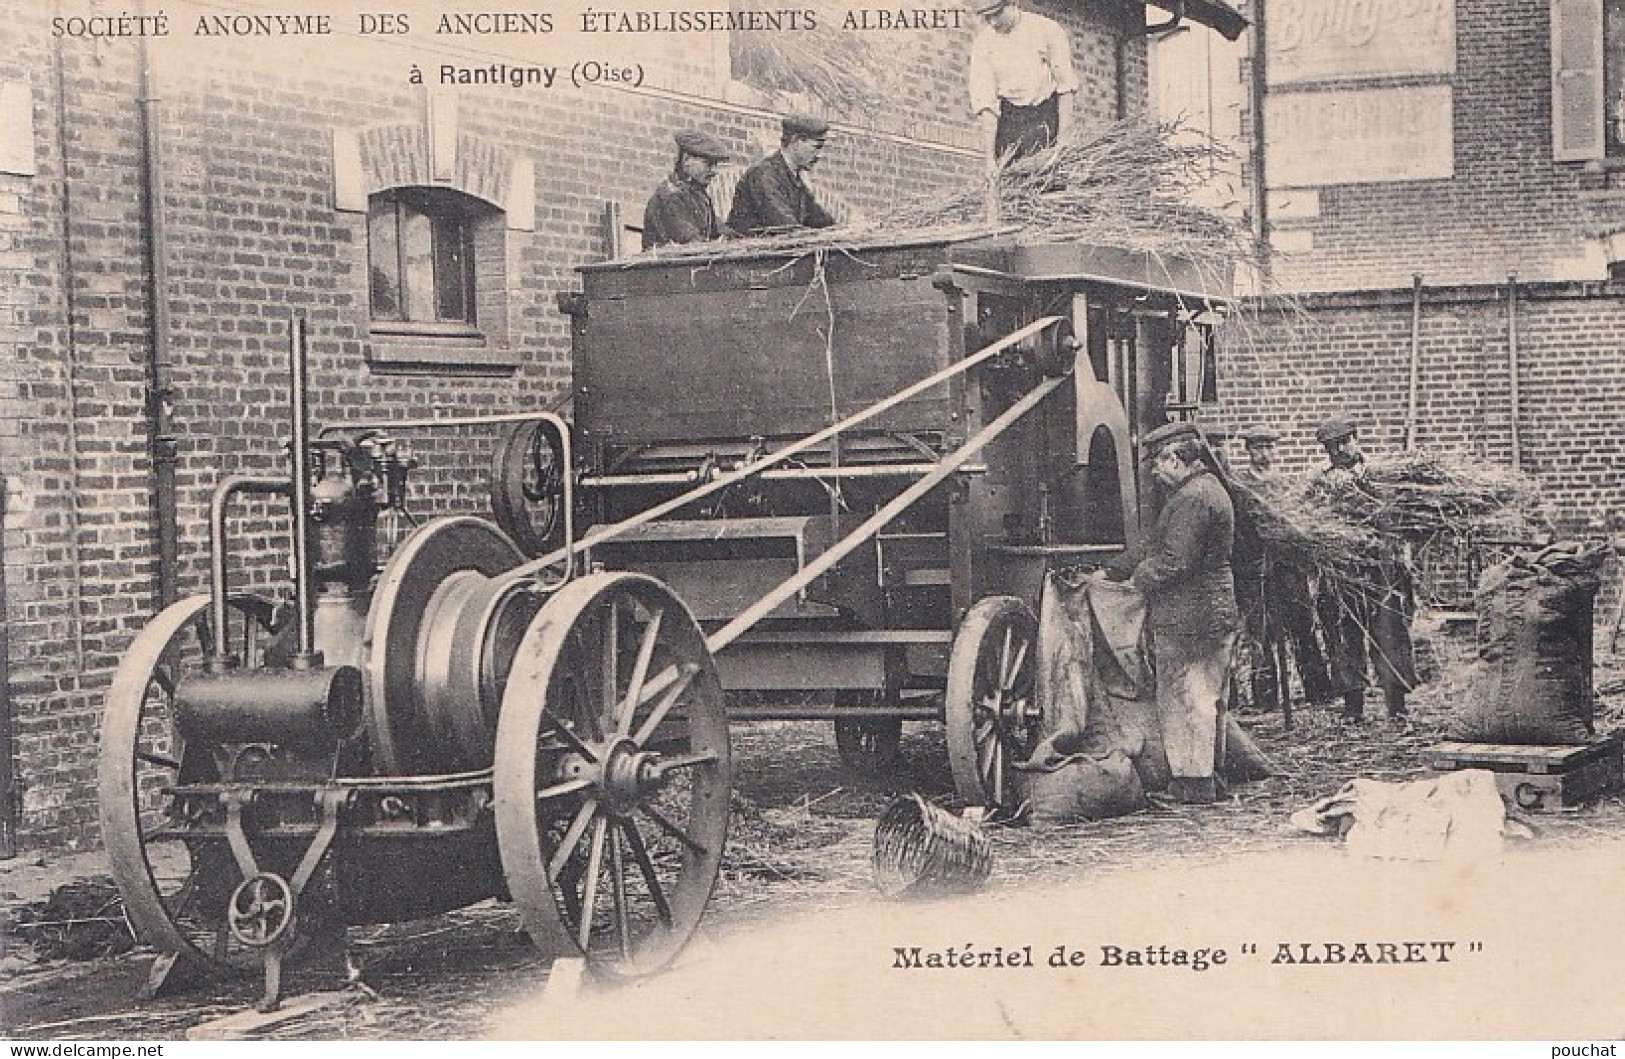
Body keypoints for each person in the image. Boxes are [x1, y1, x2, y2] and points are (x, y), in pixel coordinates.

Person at [1115, 421, 1238, 804]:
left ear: (1175, 458)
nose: (1154, 471)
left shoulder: (1193, 499)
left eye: (1158, 462)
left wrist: (1133, 582)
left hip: (1191, 613)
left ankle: (1193, 783)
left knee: (1188, 696)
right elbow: (1155, 545)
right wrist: (1112, 568)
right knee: (1208, 696)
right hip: (1209, 608)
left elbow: (1173, 560)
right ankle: (1208, 775)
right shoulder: (1200, 491)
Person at [1312, 416, 1417, 723]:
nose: (1341, 451)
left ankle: (1396, 703)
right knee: (1346, 634)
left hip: (1384, 568)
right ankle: (1353, 705)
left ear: (1356, 439)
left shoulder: (1382, 475)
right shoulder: (1324, 483)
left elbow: (1401, 519)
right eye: (1333, 448)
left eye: (1345, 442)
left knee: (1390, 632)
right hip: (1345, 569)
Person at [967, 0, 1079, 168]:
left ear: (1013, 4)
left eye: (997, 14)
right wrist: (990, 159)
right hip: (1009, 121)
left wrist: (1063, 141)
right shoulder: (983, 44)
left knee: (1046, 178)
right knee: (1009, 182)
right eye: (987, 17)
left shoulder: (1046, 30)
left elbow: (1065, 88)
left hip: (1044, 115)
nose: (993, 22)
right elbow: (986, 104)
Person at [724, 114, 837, 237]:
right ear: (796, 141)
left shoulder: (794, 180)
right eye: (816, 147)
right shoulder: (764, 175)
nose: (819, 155)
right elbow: (785, 226)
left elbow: (822, 220)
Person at [641, 129, 734, 250]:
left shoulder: (697, 194)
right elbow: (690, 242)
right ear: (686, 161)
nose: (714, 171)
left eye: (715, 165)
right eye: (708, 164)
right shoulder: (671, 197)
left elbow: (718, 229)